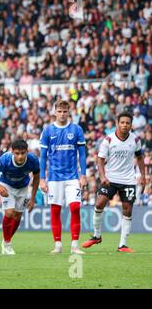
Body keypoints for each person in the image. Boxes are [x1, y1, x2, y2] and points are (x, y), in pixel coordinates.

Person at [83, 112, 146, 252]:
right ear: (117, 123)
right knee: (99, 203)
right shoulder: (109, 140)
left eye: (127, 123)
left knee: (127, 209)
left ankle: (122, 245)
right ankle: (96, 236)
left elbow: (140, 158)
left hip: (128, 179)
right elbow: (100, 160)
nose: (124, 125)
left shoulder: (135, 140)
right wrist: (103, 176)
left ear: (131, 125)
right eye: (122, 122)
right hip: (110, 178)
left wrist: (143, 176)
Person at [39, 100, 87, 254]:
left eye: (65, 111)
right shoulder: (48, 131)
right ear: (54, 112)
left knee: (75, 207)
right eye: (59, 111)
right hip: (54, 177)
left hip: (72, 176)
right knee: (55, 210)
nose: (62, 114)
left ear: (69, 112)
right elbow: (43, 157)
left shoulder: (76, 129)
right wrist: (42, 178)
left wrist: (83, 174)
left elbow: (83, 154)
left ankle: (74, 245)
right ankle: (58, 245)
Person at [0, 139, 40, 255]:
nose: (20, 156)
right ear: (12, 152)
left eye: (23, 153)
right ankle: (7, 244)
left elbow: (36, 177)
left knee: (17, 216)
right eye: (17, 153)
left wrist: (32, 199)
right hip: (6, 186)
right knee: (9, 213)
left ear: (27, 152)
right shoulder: (5, 159)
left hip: (23, 187)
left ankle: (6, 240)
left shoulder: (33, 160)